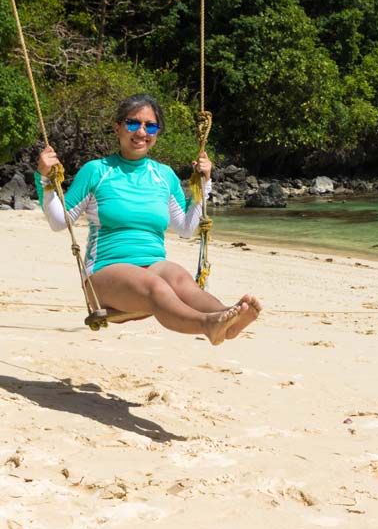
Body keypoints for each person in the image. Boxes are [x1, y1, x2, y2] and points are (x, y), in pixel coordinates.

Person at [36, 93, 260, 345]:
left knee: (180, 279)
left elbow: (186, 228)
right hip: (106, 273)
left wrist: (203, 184)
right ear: (117, 127)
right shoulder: (96, 171)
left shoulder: (164, 176)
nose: (141, 132)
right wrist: (44, 178)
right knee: (157, 286)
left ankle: (226, 318)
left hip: (153, 265)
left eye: (150, 126)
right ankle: (208, 324)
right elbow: (59, 221)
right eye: (133, 123)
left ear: (157, 132)